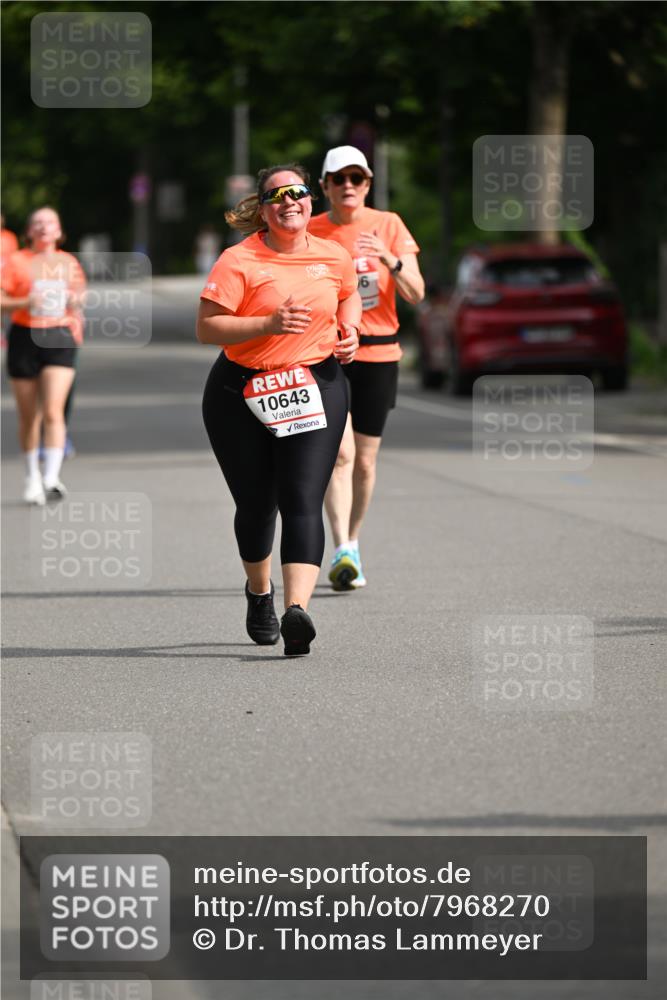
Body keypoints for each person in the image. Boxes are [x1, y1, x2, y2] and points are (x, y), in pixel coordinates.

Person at [197, 164, 361, 656]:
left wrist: (350, 332)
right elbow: (208, 329)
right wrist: (267, 322)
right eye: (277, 195)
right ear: (263, 209)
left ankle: (297, 611)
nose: (290, 201)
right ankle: (259, 591)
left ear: (311, 201)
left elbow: (348, 295)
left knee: (302, 496)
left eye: (298, 193)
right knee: (256, 505)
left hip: (314, 383)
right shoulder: (238, 259)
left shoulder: (334, 255)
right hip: (240, 393)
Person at [308, 145, 425, 590]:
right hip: (330, 352)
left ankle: (353, 540)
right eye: (339, 179)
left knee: (366, 461)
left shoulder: (389, 225)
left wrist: (389, 260)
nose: (349, 187)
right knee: (340, 454)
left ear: (369, 184)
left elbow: (416, 293)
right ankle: (342, 549)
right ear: (325, 187)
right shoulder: (312, 231)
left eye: (357, 179)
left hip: (379, 354)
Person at [1, 206, 86, 505]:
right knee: (29, 415)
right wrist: (26, 300)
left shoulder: (69, 262)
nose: (43, 227)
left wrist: (74, 300)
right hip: (24, 335)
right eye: (37, 222)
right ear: (28, 231)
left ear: (59, 231)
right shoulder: (16, 262)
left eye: (49, 222)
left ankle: (51, 476)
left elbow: (80, 295)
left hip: (59, 335)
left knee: (52, 409)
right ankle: (31, 477)